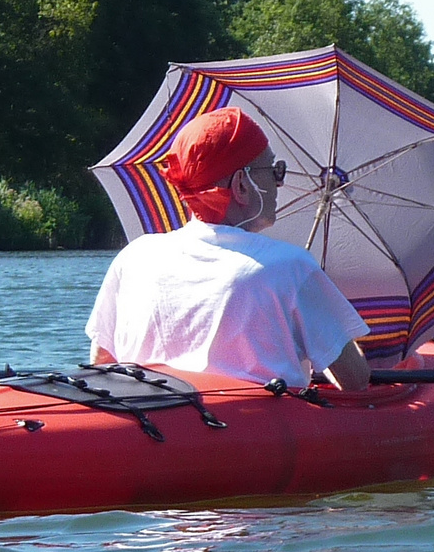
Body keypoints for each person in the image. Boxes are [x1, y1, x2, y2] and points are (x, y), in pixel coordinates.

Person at [86, 106, 371, 391]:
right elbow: (355, 381)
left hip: (151, 424)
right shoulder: (290, 266)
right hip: (254, 429)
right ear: (241, 185)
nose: (278, 182)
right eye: (274, 170)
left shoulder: (136, 256)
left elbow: (102, 361)